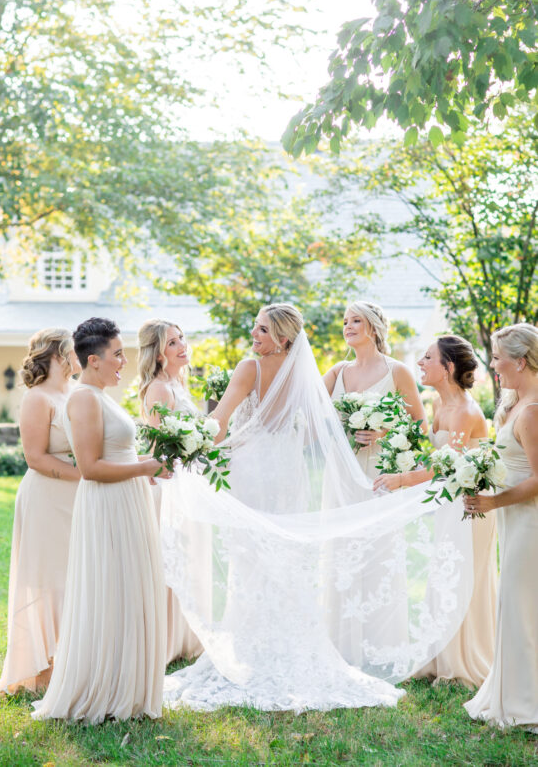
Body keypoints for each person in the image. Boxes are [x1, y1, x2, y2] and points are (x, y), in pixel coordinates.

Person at [159, 303, 474, 712]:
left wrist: (194, 446)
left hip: (260, 472)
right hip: (287, 474)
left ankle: (259, 647)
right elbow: (313, 429)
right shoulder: (310, 374)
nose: (253, 336)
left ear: (283, 338)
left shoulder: (251, 369)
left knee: (257, 558)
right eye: (254, 328)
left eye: (262, 330)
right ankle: (281, 644)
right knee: (278, 558)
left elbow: (223, 421)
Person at [32, 318, 167, 723]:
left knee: (128, 590)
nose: (125, 361)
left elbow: (116, 455)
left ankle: (129, 686)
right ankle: (104, 689)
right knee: (111, 590)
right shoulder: (84, 399)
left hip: (128, 501)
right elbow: (90, 468)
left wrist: (148, 463)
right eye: (119, 354)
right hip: (107, 505)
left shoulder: (103, 396)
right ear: (94, 360)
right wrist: (147, 469)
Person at [375, 335, 497, 687]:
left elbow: (442, 468)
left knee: (462, 577)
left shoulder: (465, 411)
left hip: (470, 505)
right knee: (442, 575)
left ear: (449, 367)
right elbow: (431, 455)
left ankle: (462, 661)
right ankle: (438, 655)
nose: (421, 364)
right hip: (449, 503)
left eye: (428, 358)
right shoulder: (440, 407)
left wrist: (400, 479)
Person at [0, 329, 81, 695]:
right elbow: (35, 457)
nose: (82, 355)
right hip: (47, 496)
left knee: (73, 576)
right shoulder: (37, 398)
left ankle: (70, 657)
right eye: (76, 350)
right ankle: (41, 667)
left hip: (77, 497)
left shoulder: (75, 393)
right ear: (60, 355)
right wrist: (84, 475)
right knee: (47, 577)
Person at [464, 323, 538, 729]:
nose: (492, 365)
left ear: (520, 361)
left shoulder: (532, 411)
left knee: (522, 607)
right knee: (514, 605)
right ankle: (511, 695)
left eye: (497, 357)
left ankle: (526, 707)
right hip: (514, 520)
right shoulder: (515, 403)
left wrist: (492, 501)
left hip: (530, 523)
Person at [137, 318, 204, 663]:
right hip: (167, 486)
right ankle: (164, 640)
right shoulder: (160, 389)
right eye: (173, 343)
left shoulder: (178, 385)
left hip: (185, 482)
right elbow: (159, 451)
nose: (182, 347)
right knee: (169, 563)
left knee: (186, 562)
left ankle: (185, 636)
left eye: (182, 339)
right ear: (159, 354)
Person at [324, 301, 427, 484]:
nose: (348, 326)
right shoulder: (338, 371)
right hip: (340, 468)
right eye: (345, 322)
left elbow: (420, 424)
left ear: (374, 328)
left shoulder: (397, 371)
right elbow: (306, 400)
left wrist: (383, 433)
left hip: (379, 469)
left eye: (356, 320)